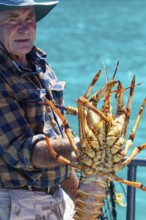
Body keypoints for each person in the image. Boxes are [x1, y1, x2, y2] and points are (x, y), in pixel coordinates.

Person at [0, 0, 79, 219]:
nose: (24, 28)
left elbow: (57, 140)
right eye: (12, 19)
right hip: (14, 204)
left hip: (55, 199)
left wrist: (80, 199)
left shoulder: (39, 63)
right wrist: (82, 146)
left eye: (29, 18)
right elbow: (24, 150)